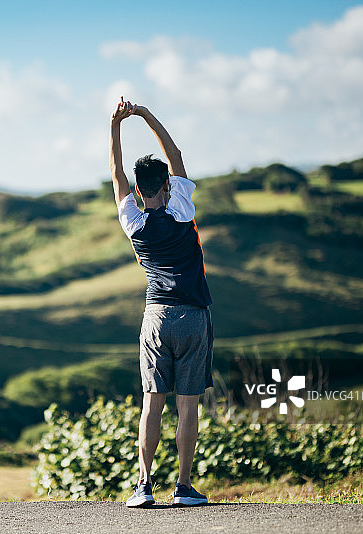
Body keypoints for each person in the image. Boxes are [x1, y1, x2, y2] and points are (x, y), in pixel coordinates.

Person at [109, 97, 213, 508]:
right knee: (188, 408)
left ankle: (143, 486)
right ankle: (184, 489)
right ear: (167, 186)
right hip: (193, 317)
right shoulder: (183, 209)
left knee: (152, 404)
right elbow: (176, 155)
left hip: (154, 316)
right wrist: (145, 115)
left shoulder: (132, 221)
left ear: (138, 192)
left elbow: (116, 171)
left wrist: (115, 125)